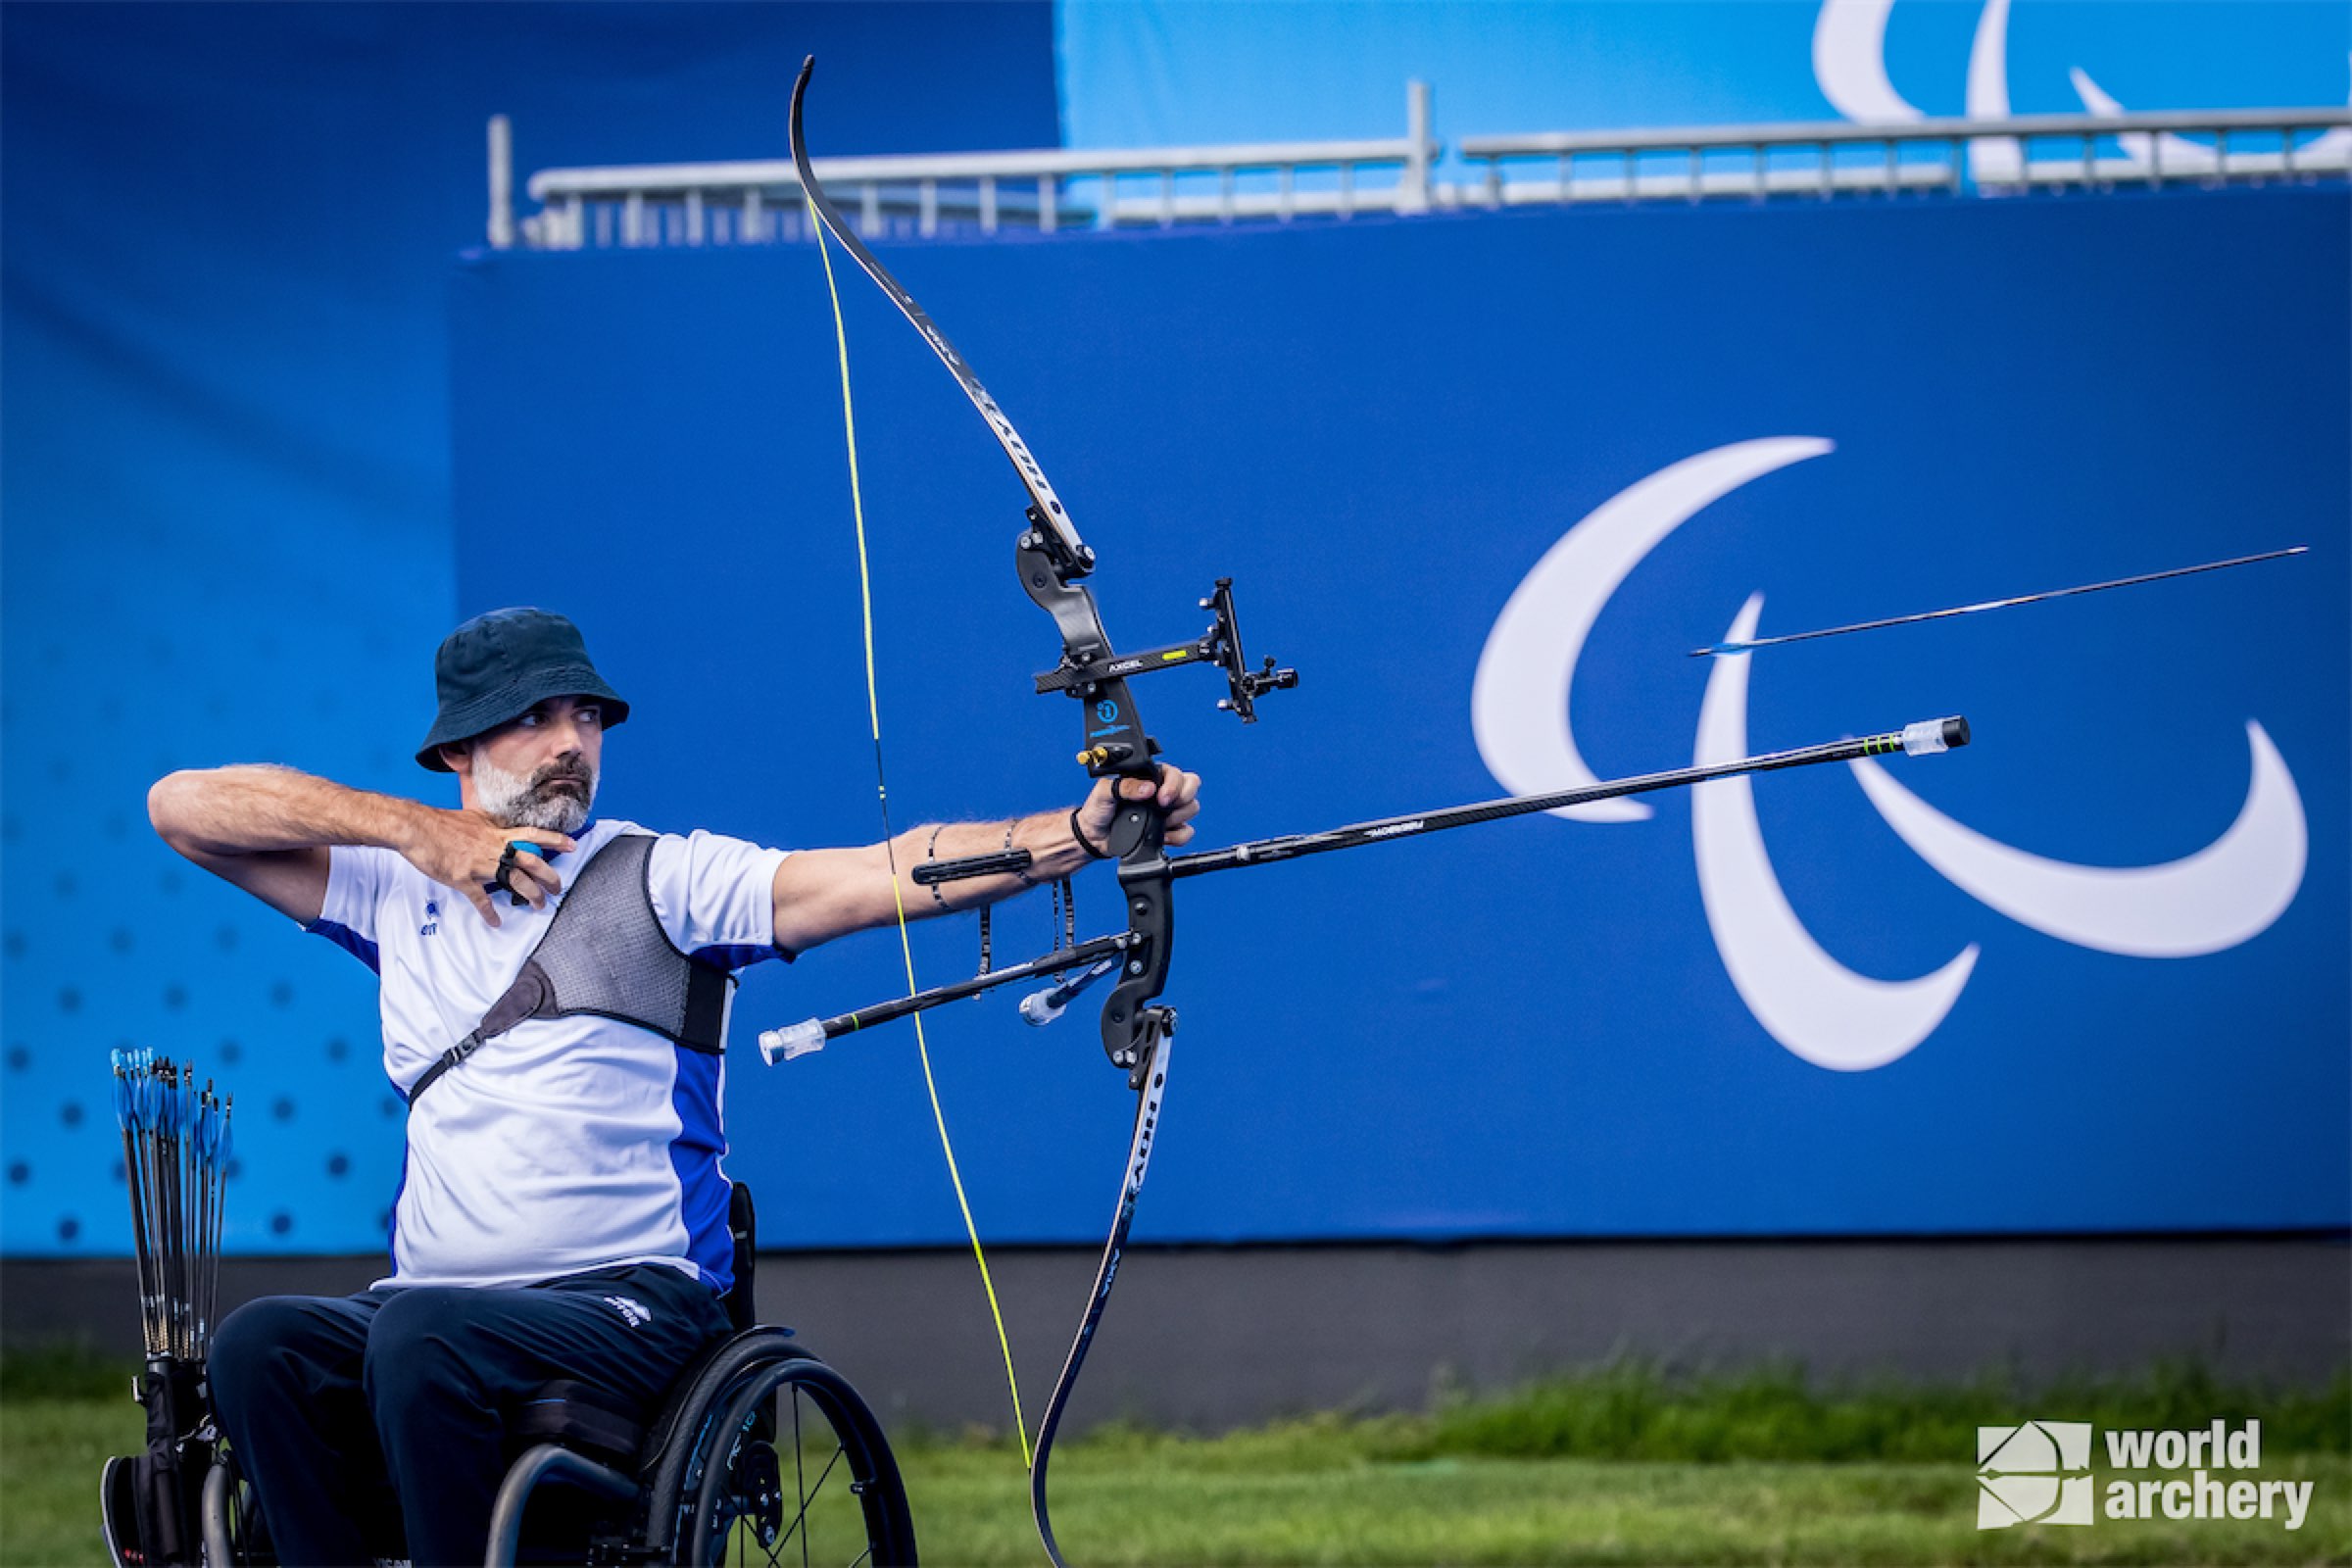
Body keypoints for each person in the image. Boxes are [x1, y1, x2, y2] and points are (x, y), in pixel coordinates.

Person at [147, 606, 1201, 1567]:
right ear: (459, 749)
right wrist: (416, 832)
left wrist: (1076, 833)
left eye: (586, 715)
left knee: (426, 1339)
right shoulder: (389, 888)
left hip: (630, 1305)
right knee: (261, 1347)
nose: (570, 740)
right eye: (533, 717)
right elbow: (182, 807)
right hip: (432, 1312)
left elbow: (878, 870)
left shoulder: (664, 877)